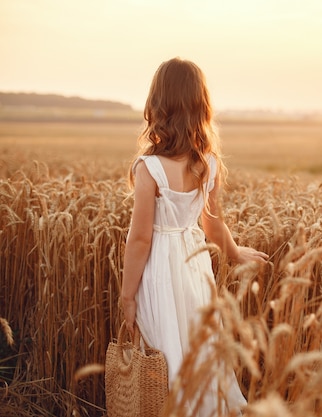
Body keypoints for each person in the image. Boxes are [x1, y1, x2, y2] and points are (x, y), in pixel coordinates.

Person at [120, 57, 268, 415]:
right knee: (202, 349)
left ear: (157, 105)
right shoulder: (208, 163)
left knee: (165, 352)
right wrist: (234, 253)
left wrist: (126, 296)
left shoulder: (149, 168)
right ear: (201, 106)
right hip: (195, 267)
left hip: (160, 270)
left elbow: (140, 239)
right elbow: (213, 225)